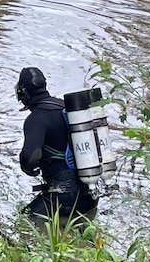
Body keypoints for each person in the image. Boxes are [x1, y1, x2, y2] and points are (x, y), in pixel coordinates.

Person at [16, 67, 98, 230]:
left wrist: (28, 167)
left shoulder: (36, 118)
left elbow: (30, 157)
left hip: (62, 198)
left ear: (23, 92)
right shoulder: (67, 108)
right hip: (90, 195)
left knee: (24, 223)